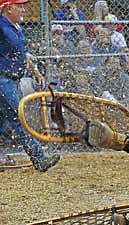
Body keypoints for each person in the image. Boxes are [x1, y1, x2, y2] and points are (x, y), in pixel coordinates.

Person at [0, 0, 60, 172]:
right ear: (8, 8)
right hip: (4, 81)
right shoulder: (1, 27)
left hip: (12, 81)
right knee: (19, 121)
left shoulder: (16, 28)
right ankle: (39, 158)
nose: (23, 9)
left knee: (2, 123)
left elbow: (23, 55)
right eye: (19, 6)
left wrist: (37, 73)